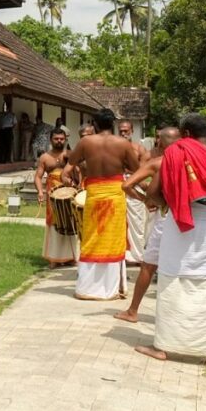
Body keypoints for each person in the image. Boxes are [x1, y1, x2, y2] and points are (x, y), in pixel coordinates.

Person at [136, 113, 206, 363]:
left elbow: (152, 194)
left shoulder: (175, 155)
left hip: (177, 224)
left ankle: (162, 347)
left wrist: (173, 206)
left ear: (185, 134)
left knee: (171, 280)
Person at [62, 108, 140, 300]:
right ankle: (111, 288)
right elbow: (136, 169)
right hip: (115, 194)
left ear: (94, 125)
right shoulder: (123, 143)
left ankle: (88, 288)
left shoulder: (85, 142)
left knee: (91, 237)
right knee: (114, 237)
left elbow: (71, 163)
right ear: (112, 124)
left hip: (94, 194)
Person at [115, 127, 181, 323]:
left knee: (148, 265)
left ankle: (133, 311)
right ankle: (179, 314)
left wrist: (147, 200)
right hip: (191, 218)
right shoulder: (192, 162)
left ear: (160, 142)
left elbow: (128, 185)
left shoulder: (158, 162)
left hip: (165, 214)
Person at [36, 129, 78, 267]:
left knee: (69, 221)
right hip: (51, 194)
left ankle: (71, 257)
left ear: (65, 139)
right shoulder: (44, 158)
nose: (59, 141)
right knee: (54, 221)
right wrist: (40, 192)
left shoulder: (70, 155)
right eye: (56, 139)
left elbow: (78, 172)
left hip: (69, 193)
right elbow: (38, 177)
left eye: (61, 138)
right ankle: (53, 258)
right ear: (50, 140)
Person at [118, 119, 152, 265]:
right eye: (121, 131)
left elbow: (142, 171)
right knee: (117, 221)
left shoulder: (139, 149)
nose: (123, 133)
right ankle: (119, 254)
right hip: (116, 185)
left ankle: (137, 256)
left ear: (132, 131)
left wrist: (134, 177)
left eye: (126, 131)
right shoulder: (113, 147)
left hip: (134, 185)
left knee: (137, 221)